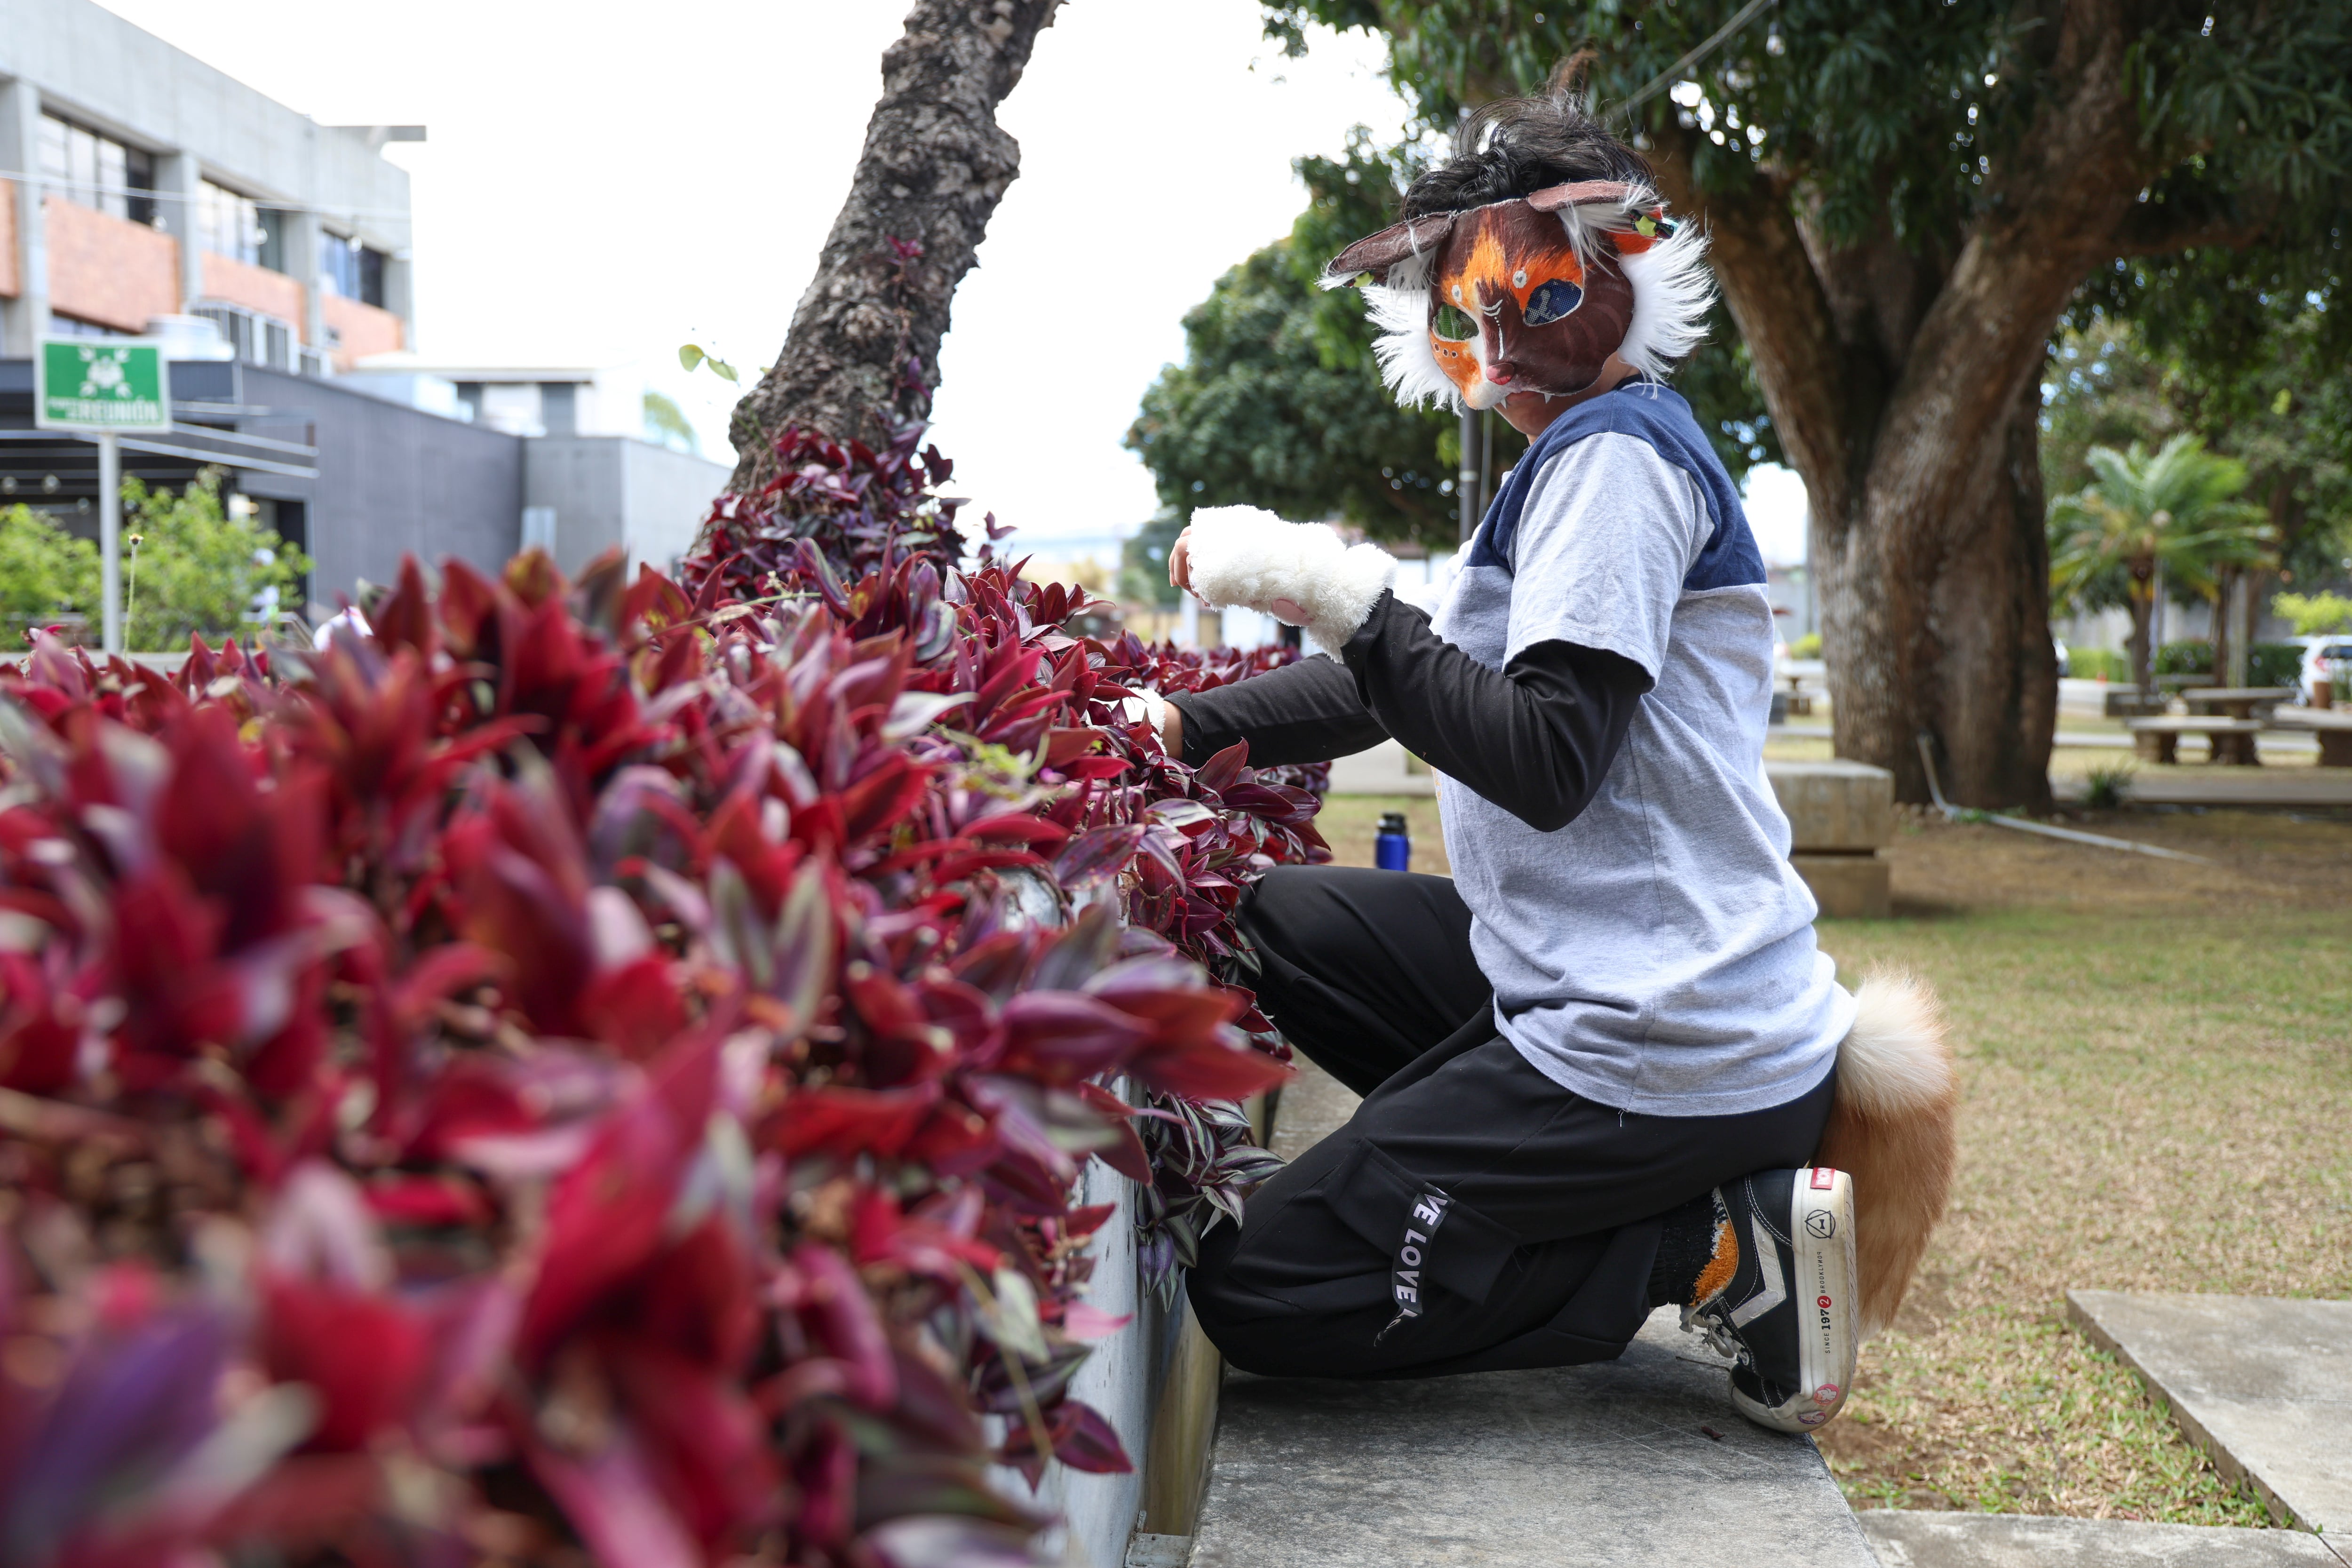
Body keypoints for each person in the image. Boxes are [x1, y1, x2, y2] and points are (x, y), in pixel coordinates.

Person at [1150, 87, 1956, 1433]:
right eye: (1466, 313)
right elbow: (1398, 690)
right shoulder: (1574, 462)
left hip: (1656, 1025)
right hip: (1606, 968)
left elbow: (1544, 758)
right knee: (1270, 920)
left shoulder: (1618, 459)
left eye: (1536, 297)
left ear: (1624, 283)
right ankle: (1515, 1172)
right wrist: (1181, 726)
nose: (1501, 341)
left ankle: (1704, 1241)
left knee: (1258, 1289)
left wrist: (1339, 591)